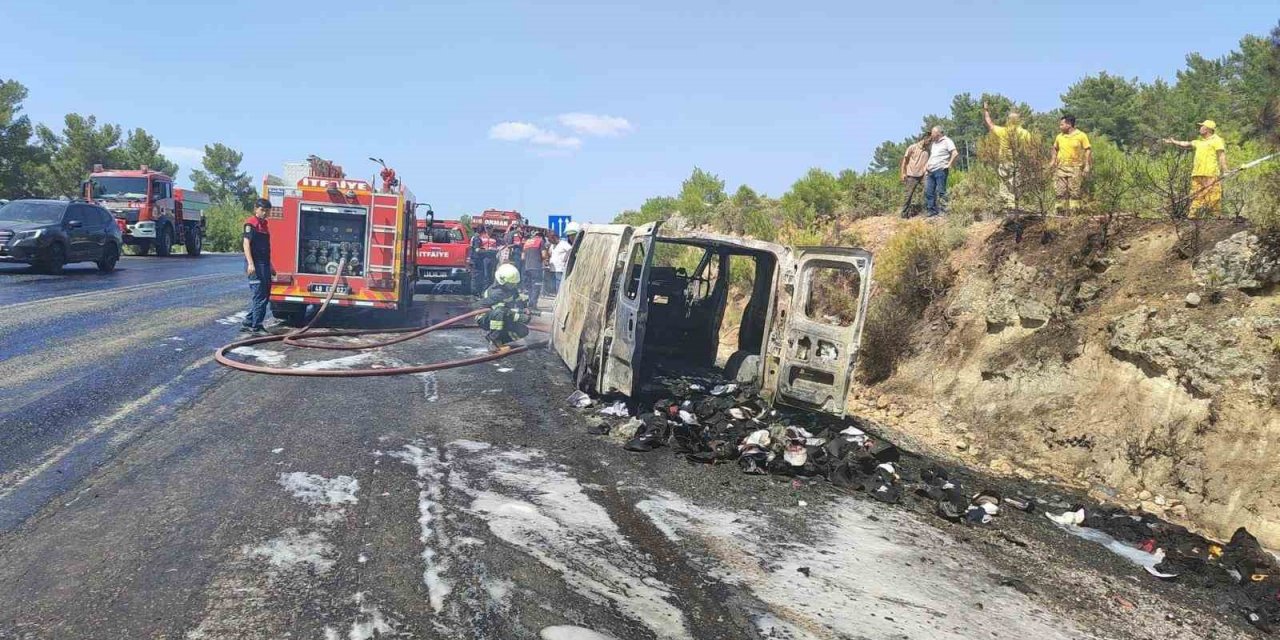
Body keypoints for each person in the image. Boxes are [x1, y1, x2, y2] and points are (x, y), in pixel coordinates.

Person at [1163, 120, 1228, 218]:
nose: (1200, 128)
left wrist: (1225, 170)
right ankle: (1192, 217)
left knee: (1213, 196)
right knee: (1196, 195)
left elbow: (1221, 155)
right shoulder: (1199, 142)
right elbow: (1186, 144)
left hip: (1210, 173)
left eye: (1202, 126)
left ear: (1208, 129)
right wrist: (1173, 142)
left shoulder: (1216, 140)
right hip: (1197, 174)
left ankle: (1217, 217)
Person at [983, 101, 1033, 210]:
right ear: (1019, 121)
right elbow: (1030, 149)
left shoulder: (1003, 131)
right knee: (1015, 185)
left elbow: (989, 123)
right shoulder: (1025, 133)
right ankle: (1014, 206)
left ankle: (1006, 207)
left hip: (1004, 162)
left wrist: (986, 110)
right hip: (1018, 163)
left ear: (1009, 120)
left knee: (1004, 184)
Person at [240, 198, 276, 334]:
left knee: (265, 295)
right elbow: (246, 244)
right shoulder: (251, 224)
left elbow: (264, 248)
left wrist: (271, 265)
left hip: (265, 265)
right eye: (262, 210)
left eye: (267, 211)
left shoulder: (264, 225)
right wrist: (250, 264)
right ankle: (257, 326)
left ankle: (249, 321)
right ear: (256, 209)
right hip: (255, 265)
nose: (265, 213)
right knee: (259, 295)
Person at [477, 263, 530, 353]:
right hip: (486, 318)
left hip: (503, 316)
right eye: (511, 284)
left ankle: (500, 341)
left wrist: (525, 309)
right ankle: (493, 341)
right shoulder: (496, 293)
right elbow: (500, 310)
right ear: (502, 281)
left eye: (514, 284)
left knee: (523, 330)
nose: (513, 286)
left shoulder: (511, 289)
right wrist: (518, 316)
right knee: (499, 313)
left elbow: (518, 301)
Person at [1051, 114, 1092, 215]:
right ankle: (1060, 214)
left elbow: (1087, 150)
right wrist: (1053, 160)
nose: (1060, 127)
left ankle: (1074, 214)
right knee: (1060, 192)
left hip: (1075, 168)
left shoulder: (1081, 135)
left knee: (1074, 192)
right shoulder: (1059, 137)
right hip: (1061, 168)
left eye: (1062, 124)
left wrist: (1087, 165)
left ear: (1069, 124)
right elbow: (1054, 148)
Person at [924, 126, 958, 217]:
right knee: (929, 191)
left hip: (940, 170)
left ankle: (945, 210)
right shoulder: (934, 144)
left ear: (938, 133)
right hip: (930, 171)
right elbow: (933, 156)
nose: (931, 135)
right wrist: (926, 165)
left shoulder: (947, 141)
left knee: (941, 191)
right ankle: (932, 211)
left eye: (932, 133)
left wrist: (949, 164)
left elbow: (955, 153)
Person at [899, 135, 931, 217]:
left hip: (923, 175)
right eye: (929, 140)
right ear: (925, 139)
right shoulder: (912, 147)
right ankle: (903, 214)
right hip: (911, 175)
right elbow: (904, 161)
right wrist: (903, 173)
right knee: (908, 195)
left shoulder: (928, 150)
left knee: (929, 191)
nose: (930, 142)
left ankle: (929, 211)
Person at [549, 222, 579, 296]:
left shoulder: (563, 244)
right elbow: (550, 252)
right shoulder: (553, 245)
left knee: (559, 286)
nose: (570, 238)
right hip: (554, 269)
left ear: (555, 237)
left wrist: (565, 258)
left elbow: (570, 250)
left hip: (560, 269)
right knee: (556, 286)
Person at [522, 230, 545, 308]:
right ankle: (533, 304)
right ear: (538, 236)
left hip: (527, 267)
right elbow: (544, 255)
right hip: (536, 267)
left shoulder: (527, 242)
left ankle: (530, 302)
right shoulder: (540, 241)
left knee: (530, 286)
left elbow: (522, 257)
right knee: (536, 286)